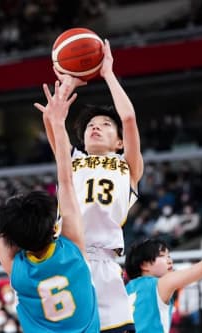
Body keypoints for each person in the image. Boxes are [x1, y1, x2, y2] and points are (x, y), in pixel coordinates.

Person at [0, 86, 100, 332]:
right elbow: (66, 179)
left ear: (11, 238)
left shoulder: (16, 268)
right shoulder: (72, 248)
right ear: (55, 227)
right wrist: (58, 123)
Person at [37, 38, 143, 332]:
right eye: (90, 126)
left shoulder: (128, 166)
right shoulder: (70, 159)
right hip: (68, 259)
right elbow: (53, 120)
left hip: (106, 263)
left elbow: (129, 118)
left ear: (120, 142)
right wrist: (69, 83)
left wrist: (107, 72)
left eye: (106, 125)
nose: (96, 127)